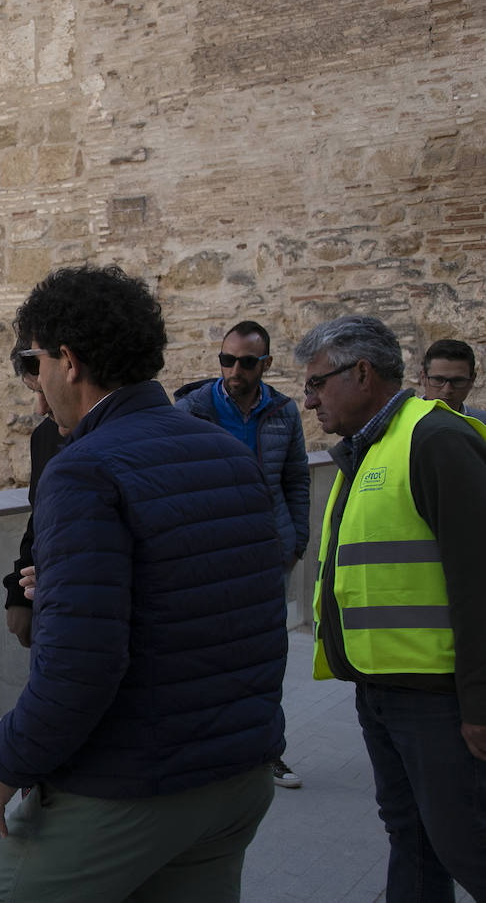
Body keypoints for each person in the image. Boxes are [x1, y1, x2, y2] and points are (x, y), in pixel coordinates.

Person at [0, 265, 288, 902]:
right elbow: (213, 595)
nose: (34, 389)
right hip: (236, 774)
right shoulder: (224, 451)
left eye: (32, 363)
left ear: (68, 359)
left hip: (133, 782)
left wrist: (7, 758)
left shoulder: (83, 469)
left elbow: (80, 667)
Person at [294, 315, 486, 902]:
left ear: (362, 373)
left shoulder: (435, 440)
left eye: (317, 384)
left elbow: (479, 579)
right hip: (382, 691)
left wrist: (480, 703)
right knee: (414, 840)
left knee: (469, 849)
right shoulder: (367, 448)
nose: (309, 400)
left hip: (440, 700)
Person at [174, 319, 310, 789]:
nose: (234, 370)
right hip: (210, 553)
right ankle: (208, 750)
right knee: (205, 650)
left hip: (268, 553)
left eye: (246, 362)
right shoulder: (191, 408)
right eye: (227, 359)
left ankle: (268, 752)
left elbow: (296, 478)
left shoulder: (284, 411)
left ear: (265, 364)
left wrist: (297, 541)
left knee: (267, 652)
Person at [1, 346, 67, 647]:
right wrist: (18, 592)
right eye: (33, 392)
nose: (41, 408)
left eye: (45, 391)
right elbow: (39, 520)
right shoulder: (45, 436)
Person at [419, 338, 486, 421]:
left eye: (457, 381)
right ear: (423, 378)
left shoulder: (482, 424)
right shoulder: (402, 419)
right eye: (438, 380)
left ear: (472, 380)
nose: (447, 390)